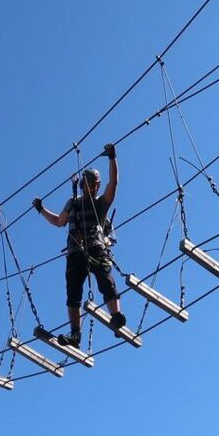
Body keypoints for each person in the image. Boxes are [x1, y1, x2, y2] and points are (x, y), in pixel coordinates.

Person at [32, 143, 127, 346]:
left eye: (94, 185)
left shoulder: (101, 204)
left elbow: (114, 184)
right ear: (83, 185)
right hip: (75, 251)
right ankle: (76, 334)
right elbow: (59, 221)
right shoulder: (72, 203)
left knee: (106, 281)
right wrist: (41, 209)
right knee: (73, 293)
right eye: (88, 184)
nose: (91, 187)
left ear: (97, 186)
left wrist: (112, 158)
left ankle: (116, 316)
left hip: (95, 247)